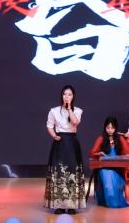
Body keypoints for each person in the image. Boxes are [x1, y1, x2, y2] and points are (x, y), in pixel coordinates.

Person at [44, 85, 86, 215]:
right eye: (64, 94)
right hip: (60, 142)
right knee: (59, 171)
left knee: (72, 171)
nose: (66, 96)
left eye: (69, 94)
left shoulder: (77, 110)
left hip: (72, 142)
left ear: (73, 97)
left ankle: (72, 205)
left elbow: (75, 122)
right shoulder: (54, 111)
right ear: (61, 96)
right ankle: (59, 205)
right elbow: (49, 125)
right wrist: (54, 135)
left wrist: (69, 109)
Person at [89, 116, 129, 208]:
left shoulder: (120, 138)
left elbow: (128, 152)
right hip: (104, 167)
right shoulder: (101, 138)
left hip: (117, 168)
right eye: (108, 128)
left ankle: (114, 200)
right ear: (105, 128)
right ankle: (108, 200)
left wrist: (122, 156)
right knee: (107, 175)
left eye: (112, 128)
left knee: (114, 176)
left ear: (115, 128)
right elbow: (92, 152)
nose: (110, 130)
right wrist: (98, 153)